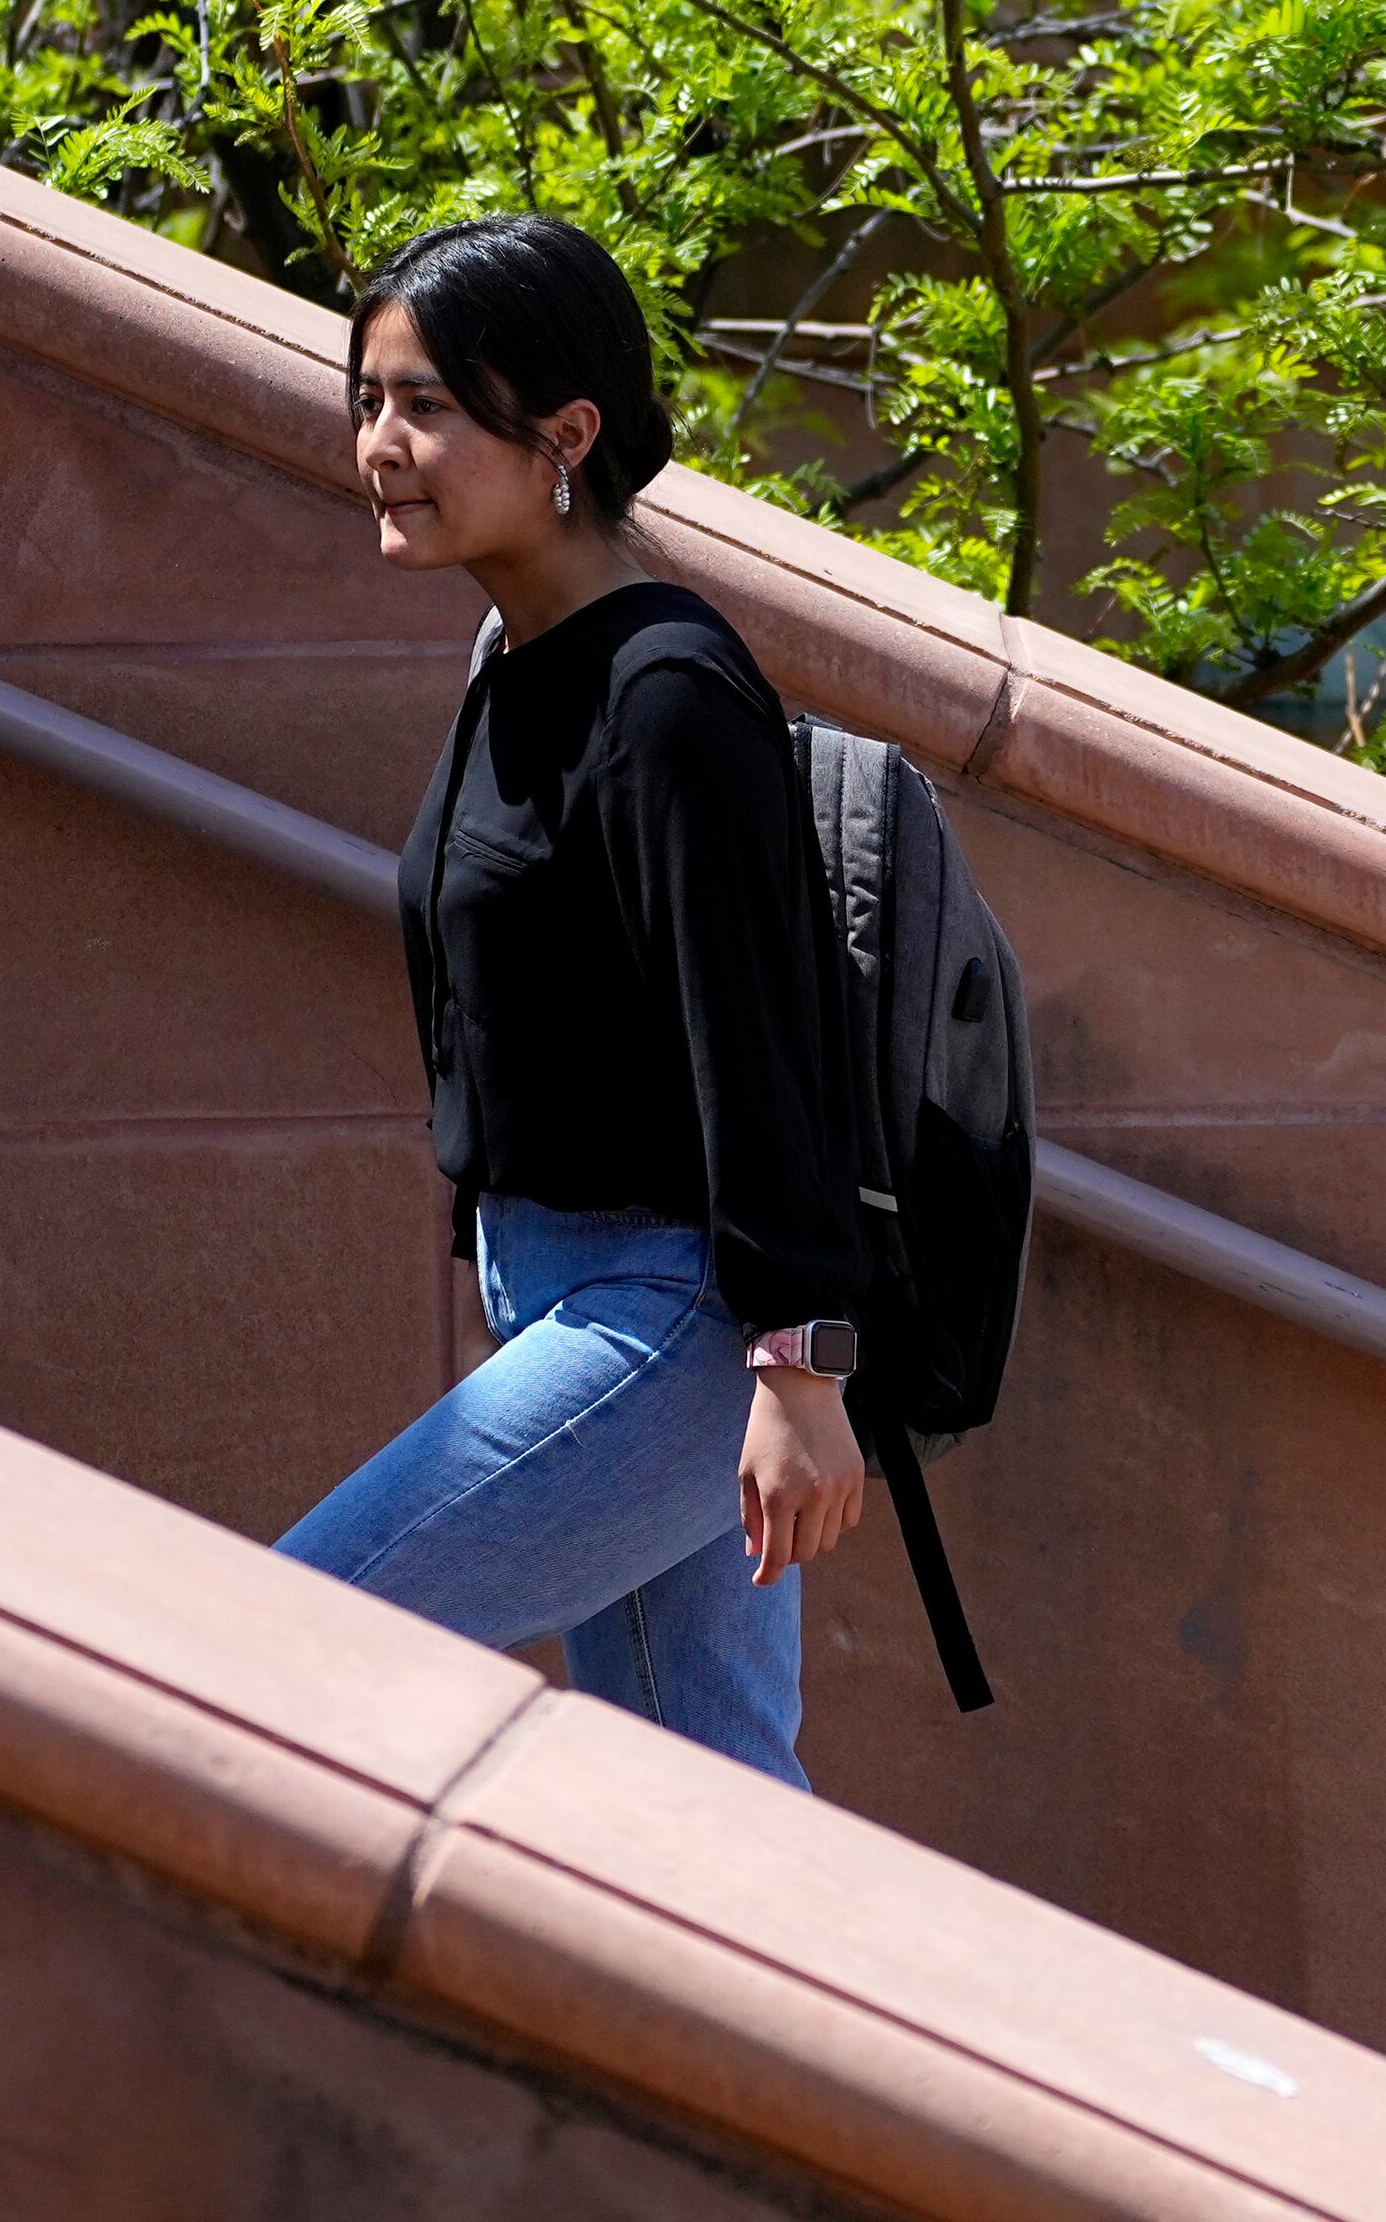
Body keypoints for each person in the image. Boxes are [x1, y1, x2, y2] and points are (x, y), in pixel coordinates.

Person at [276, 214, 873, 1786]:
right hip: (565, 1287)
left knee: (274, 1638)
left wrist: (800, 1369)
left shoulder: (664, 691)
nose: (380, 445)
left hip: (680, 1318)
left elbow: (763, 1038)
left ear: (567, 434)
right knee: (707, 1785)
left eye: (425, 407)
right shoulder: (513, 658)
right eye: (368, 400)